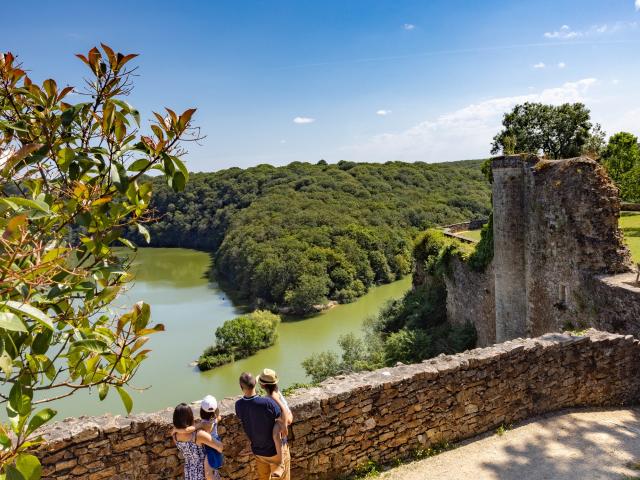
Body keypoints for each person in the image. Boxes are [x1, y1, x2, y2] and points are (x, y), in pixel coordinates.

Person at [235, 372, 289, 480]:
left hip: (258, 452)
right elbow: (283, 417)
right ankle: (281, 464)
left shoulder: (238, 405)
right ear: (255, 383)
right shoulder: (267, 403)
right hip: (275, 452)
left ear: (241, 387)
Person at [172, 403, 224, 480]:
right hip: (204, 473)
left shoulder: (175, 436)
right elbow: (220, 447)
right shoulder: (198, 435)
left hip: (190, 473)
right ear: (190, 417)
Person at [257, 368, 293, 478]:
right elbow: (289, 419)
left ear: (262, 386)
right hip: (279, 449)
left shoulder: (261, 403)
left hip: (262, 450)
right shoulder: (279, 397)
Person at [198, 395, 224, 480]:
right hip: (216, 441)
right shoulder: (215, 419)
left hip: (209, 445)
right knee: (213, 467)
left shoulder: (203, 424)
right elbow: (219, 417)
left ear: (201, 411)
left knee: (208, 472)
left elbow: (192, 428)